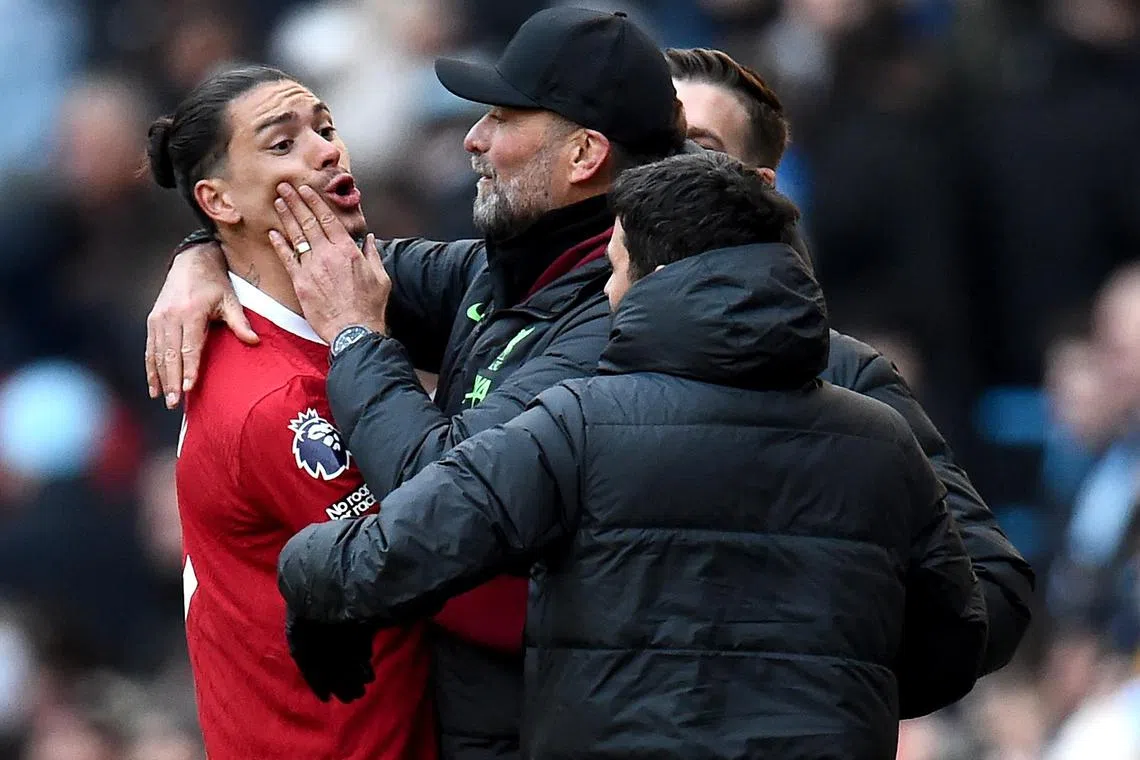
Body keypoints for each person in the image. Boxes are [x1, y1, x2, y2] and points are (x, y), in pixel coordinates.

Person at [143, 13, 1029, 754]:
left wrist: (772, 651)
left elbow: (439, 522)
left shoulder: (612, 372)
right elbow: (346, 268)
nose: (474, 138)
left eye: (699, 157)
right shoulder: (514, 273)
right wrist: (207, 247)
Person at [276, 150, 989, 760]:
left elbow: (410, 538)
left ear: (662, 273)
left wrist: (310, 586)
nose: (608, 290)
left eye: (616, 267)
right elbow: (954, 640)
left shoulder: (584, 422)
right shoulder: (882, 441)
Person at [665, 46, 1034, 674]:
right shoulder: (546, 340)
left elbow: (991, 595)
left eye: (698, 147)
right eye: (650, 141)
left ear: (758, 188)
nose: (664, 167)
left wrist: (824, 672)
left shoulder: (845, 381)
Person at [144, 65, 434, 759]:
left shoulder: (323, 325)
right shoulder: (280, 403)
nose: (327, 150)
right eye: (283, 144)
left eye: (326, 129)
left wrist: (199, 254)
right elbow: (442, 550)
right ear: (218, 199)